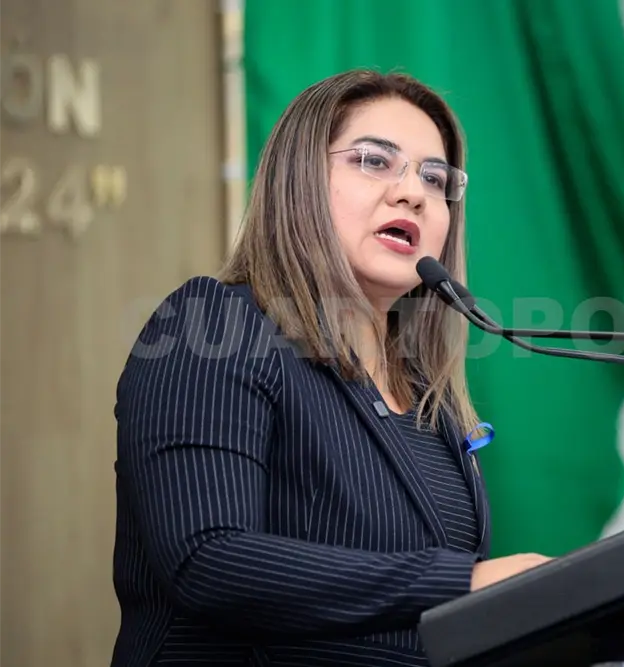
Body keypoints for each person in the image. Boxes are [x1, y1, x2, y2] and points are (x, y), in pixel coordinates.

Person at [110, 69, 551, 667]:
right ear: (300, 183)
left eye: (435, 178)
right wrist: (464, 583)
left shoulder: (432, 402)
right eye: (374, 161)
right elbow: (207, 558)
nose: (413, 193)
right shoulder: (214, 325)